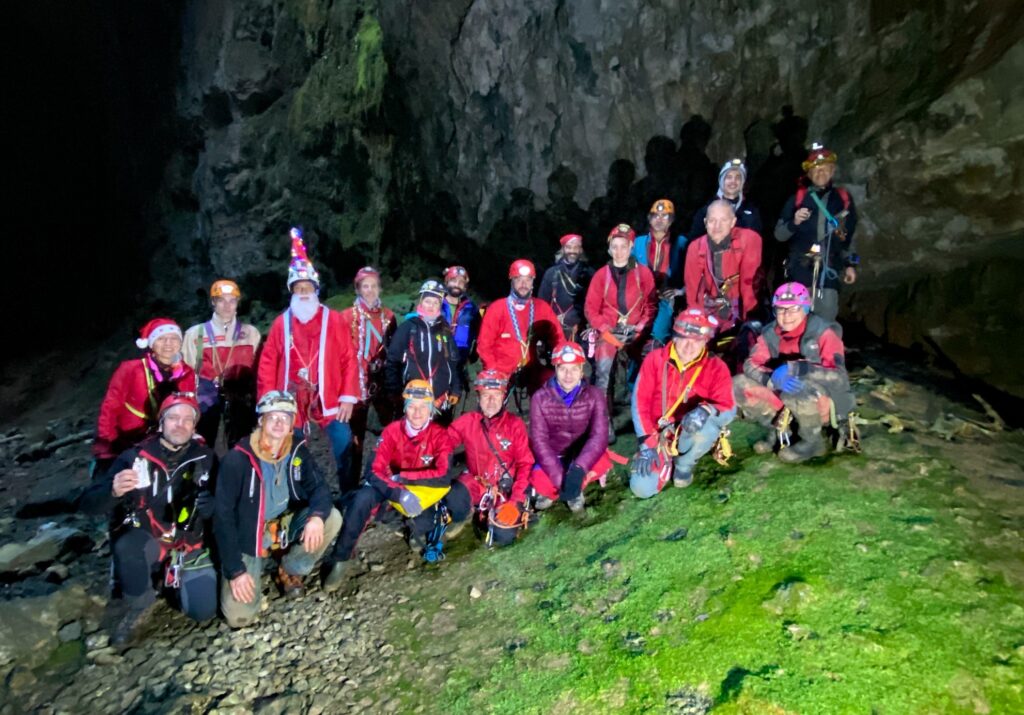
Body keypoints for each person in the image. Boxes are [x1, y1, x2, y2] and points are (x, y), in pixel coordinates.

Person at [80, 393, 217, 644]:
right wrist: (113, 490)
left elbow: (224, 505)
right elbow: (88, 504)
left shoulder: (206, 457)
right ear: (161, 422)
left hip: (188, 543)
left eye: (188, 419)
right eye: (173, 418)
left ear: (195, 426)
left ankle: (171, 582)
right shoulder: (134, 457)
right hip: (148, 541)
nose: (180, 424)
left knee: (203, 610)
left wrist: (212, 507)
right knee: (128, 546)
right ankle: (140, 603)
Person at [215, 391, 342, 627]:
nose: (279, 423)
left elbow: (320, 489)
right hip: (249, 533)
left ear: (292, 424)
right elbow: (222, 519)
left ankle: (290, 567)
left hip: (283, 524)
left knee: (330, 518)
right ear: (260, 420)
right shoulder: (237, 460)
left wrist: (315, 517)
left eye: (285, 417)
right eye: (272, 416)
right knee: (238, 617)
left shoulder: (297, 451)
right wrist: (235, 570)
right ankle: (251, 572)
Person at [324, 380, 466, 588]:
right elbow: (373, 470)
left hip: (421, 492)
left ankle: (413, 527)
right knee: (362, 498)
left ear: (431, 410)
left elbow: (442, 474)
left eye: (423, 408)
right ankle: (341, 557)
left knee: (436, 519)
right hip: (394, 490)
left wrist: (404, 478)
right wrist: (398, 492)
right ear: (405, 408)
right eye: (412, 407)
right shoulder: (392, 431)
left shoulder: (439, 435)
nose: (417, 413)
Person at [256, 228, 360, 491]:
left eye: (308, 288)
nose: (304, 293)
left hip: (330, 395)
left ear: (316, 290)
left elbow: (349, 357)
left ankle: (347, 492)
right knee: (293, 446)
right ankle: (295, 491)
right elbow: (268, 363)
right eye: (298, 288)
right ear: (292, 291)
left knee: (343, 439)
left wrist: (348, 396)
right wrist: (268, 402)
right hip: (292, 396)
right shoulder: (282, 323)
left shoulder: (332, 319)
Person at [732, 283, 857, 463]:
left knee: (797, 388)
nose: (787, 315)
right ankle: (779, 429)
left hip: (822, 400)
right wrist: (770, 379)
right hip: (784, 391)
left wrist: (798, 369)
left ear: (805, 309)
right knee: (738, 384)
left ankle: (812, 441)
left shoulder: (824, 333)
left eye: (794, 309)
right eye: (781, 310)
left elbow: (839, 378)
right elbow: (751, 364)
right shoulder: (770, 333)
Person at [629, 309, 735, 497]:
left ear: (705, 341)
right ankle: (664, 460)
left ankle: (684, 465)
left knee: (707, 428)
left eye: (696, 341)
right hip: (658, 434)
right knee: (641, 488)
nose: (689, 346)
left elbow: (728, 408)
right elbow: (640, 402)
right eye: (684, 338)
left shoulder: (716, 367)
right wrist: (647, 445)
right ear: (675, 337)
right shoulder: (655, 360)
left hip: (689, 430)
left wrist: (707, 410)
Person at [93, 318, 197, 477]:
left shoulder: (186, 373)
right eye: (161, 339)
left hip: (163, 440)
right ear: (151, 343)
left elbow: (188, 407)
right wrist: (105, 447)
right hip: (126, 441)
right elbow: (110, 408)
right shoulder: (131, 369)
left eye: (174, 338)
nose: (168, 344)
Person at [583, 224, 657, 441]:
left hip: (636, 332)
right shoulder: (600, 276)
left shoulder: (643, 274)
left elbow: (651, 305)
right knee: (603, 373)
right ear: (609, 249)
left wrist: (642, 326)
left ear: (631, 247)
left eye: (623, 246)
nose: (619, 251)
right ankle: (604, 425)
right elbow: (591, 309)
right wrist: (605, 330)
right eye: (614, 247)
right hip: (609, 332)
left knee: (653, 362)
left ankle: (650, 417)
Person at [774, 143, 859, 322]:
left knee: (825, 319)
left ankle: (824, 348)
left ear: (832, 171)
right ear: (809, 174)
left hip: (829, 268)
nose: (821, 173)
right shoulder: (797, 199)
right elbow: (779, 235)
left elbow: (850, 235)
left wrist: (850, 264)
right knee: (797, 318)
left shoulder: (842, 198)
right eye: (816, 170)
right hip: (800, 268)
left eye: (825, 169)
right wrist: (794, 222)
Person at [528, 342, 616, 514]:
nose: (568, 375)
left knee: (599, 461)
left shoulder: (595, 395)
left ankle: (570, 488)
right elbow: (539, 441)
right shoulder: (539, 398)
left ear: (582, 370)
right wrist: (559, 477)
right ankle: (561, 488)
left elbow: (599, 436)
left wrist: (578, 469)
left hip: (581, 453)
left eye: (574, 369)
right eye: (563, 369)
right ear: (555, 369)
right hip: (555, 455)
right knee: (540, 478)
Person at [449, 369, 533, 547]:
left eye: (496, 395)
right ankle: (468, 512)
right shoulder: (468, 422)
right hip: (476, 481)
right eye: (487, 395)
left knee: (504, 535)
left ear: (504, 397)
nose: (491, 401)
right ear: (478, 397)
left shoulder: (514, 425)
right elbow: (444, 442)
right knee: (453, 498)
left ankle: (492, 514)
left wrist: (515, 500)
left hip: (504, 489)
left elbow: (525, 464)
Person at [337, 266, 397, 490]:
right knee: (354, 441)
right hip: (356, 385)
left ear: (379, 288)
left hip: (382, 384)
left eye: (373, 286)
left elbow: (394, 349)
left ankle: (388, 481)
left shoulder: (389, 316)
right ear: (358, 289)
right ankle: (350, 488)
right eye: (365, 286)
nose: (370, 290)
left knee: (390, 432)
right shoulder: (347, 317)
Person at [182, 280, 261, 448]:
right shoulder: (195, 334)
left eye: (232, 301)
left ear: (238, 303)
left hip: (241, 401)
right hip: (206, 400)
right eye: (221, 300)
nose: (227, 306)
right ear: (213, 302)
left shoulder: (250, 333)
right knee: (204, 447)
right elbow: (186, 372)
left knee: (241, 446)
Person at [477, 259, 565, 394]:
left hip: (533, 367)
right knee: (491, 399)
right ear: (511, 280)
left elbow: (557, 337)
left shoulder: (542, 307)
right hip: (501, 368)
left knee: (557, 385)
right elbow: (484, 345)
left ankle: (545, 414)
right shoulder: (497, 308)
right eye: (518, 280)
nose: (523, 284)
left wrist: (562, 362)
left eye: (528, 280)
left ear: (533, 282)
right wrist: (493, 371)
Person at [684, 200, 763, 343]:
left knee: (747, 340)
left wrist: (748, 321)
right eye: (712, 221)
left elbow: (749, 285)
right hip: (711, 307)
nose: (717, 226)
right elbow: (693, 292)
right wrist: (696, 324)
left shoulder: (749, 240)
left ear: (733, 222)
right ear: (705, 222)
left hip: (739, 306)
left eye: (723, 220)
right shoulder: (696, 247)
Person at [385, 280, 462, 421]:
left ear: (440, 305)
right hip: (412, 401)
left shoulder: (445, 331)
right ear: (421, 302)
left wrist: (456, 389)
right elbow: (392, 361)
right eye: (427, 301)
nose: (431, 306)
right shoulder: (408, 328)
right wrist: (394, 392)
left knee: (439, 440)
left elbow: (453, 362)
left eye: (436, 302)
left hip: (440, 401)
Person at [633, 200, 688, 344]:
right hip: (641, 299)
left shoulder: (681, 243)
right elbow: (627, 271)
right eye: (655, 215)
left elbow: (693, 271)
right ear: (649, 218)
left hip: (665, 298)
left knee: (657, 337)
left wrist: (681, 291)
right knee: (637, 339)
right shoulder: (638, 242)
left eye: (665, 216)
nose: (659, 219)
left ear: (671, 220)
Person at [538, 234, 594, 342]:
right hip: (555, 330)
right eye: (568, 247)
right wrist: (550, 320)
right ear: (563, 249)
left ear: (580, 250)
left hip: (581, 331)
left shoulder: (589, 273)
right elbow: (542, 304)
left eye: (576, 247)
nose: (572, 251)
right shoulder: (551, 273)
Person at [690, 159, 763, 237]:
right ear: (722, 181)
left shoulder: (752, 211)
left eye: (738, 178)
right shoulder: (706, 210)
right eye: (729, 177)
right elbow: (695, 241)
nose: (733, 181)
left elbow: (756, 242)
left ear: (742, 182)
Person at [440, 265, 481, 380]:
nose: (457, 285)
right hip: (436, 354)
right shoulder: (435, 303)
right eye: (453, 280)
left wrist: (475, 354)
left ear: (465, 286)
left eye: (461, 282)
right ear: (446, 282)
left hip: (460, 356)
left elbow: (480, 332)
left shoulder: (471, 308)